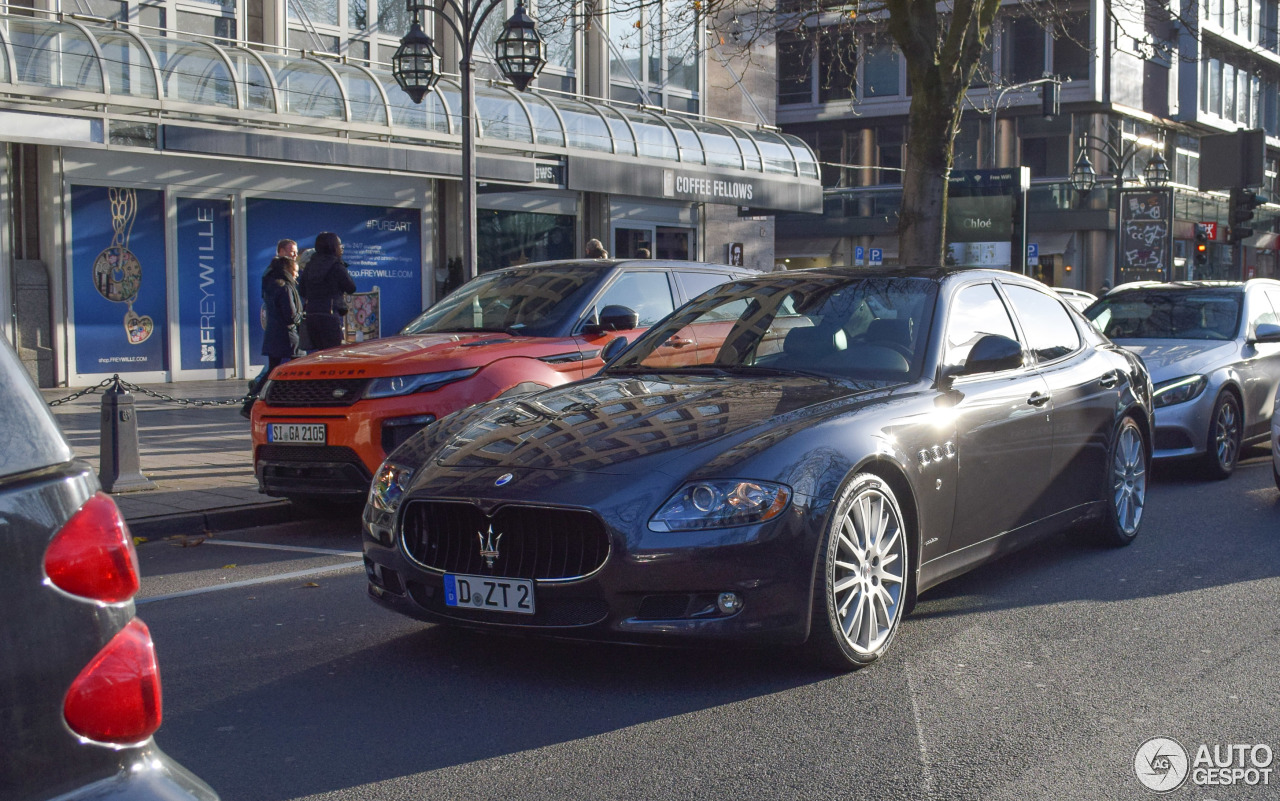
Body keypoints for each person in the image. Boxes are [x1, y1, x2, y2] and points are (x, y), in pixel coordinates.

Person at [299, 231, 356, 351]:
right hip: (330, 314)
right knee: (333, 353)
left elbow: (302, 291)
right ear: (333, 246)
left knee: (318, 353)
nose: (341, 248)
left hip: (311, 315)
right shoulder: (336, 266)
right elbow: (351, 288)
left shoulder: (309, 265)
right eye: (339, 245)